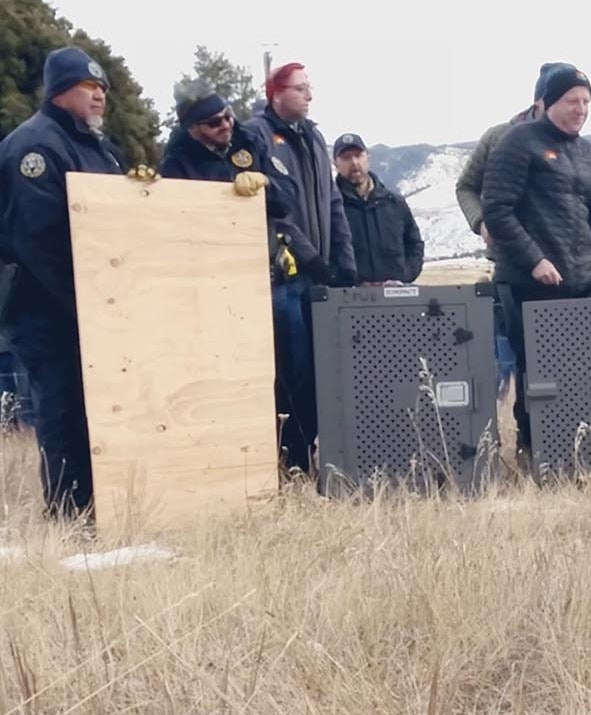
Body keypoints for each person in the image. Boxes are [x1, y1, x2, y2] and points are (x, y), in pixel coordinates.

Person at [479, 65, 591, 457]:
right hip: (529, 283)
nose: (580, 109)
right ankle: (535, 452)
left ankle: (575, 451)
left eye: (586, 101)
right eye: (572, 100)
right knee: (537, 374)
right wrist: (534, 260)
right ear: (548, 103)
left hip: (582, 281)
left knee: (581, 374)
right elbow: (497, 210)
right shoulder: (517, 144)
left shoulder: (586, 152)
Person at [0, 47, 127, 520]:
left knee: (103, 414)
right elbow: (42, 244)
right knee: (64, 413)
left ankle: (107, 512)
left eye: (103, 89)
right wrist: (92, 303)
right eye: (88, 88)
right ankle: (71, 520)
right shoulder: (34, 148)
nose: (99, 96)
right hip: (47, 311)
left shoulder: (100, 149)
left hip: (96, 308)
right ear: (59, 92)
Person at [240, 61, 357, 472]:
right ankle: (292, 461)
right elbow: (271, 211)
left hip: (319, 277)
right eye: (300, 88)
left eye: (310, 87)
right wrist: (309, 257)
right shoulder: (255, 135)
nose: (309, 95)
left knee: (323, 372)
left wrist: (344, 264)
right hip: (285, 276)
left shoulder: (313, 136)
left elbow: (332, 201)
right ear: (276, 93)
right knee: (294, 373)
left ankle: (313, 457)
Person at [457, 61, 566, 399]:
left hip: (560, 262)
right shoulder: (498, 137)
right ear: (541, 102)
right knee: (516, 353)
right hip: (511, 263)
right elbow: (466, 187)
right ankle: (520, 434)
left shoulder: (569, 142)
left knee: (558, 358)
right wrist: (481, 221)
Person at [157, 78, 296, 246]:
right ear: (193, 129)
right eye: (214, 122)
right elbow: (172, 219)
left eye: (228, 116)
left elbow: (287, 199)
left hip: (258, 254)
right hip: (210, 254)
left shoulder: (250, 142)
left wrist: (267, 184)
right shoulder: (178, 163)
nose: (225, 125)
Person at [333, 132, 425, 285]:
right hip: (348, 301)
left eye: (358, 155)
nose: (354, 162)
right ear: (335, 164)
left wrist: (405, 275)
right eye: (346, 157)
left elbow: (415, 244)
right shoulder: (330, 208)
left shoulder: (395, 203)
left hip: (396, 300)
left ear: (368, 157)